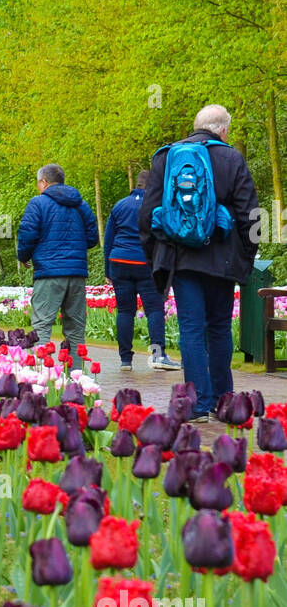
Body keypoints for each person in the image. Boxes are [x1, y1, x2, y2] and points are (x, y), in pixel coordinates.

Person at [140, 104, 259, 419]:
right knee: (219, 327)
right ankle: (224, 400)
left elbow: (147, 213)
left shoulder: (167, 157)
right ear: (223, 130)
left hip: (182, 260)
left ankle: (197, 403)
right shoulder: (232, 158)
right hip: (222, 259)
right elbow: (252, 213)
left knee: (191, 328)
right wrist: (246, 256)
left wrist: (157, 256)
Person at [16, 164, 99, 352]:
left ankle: (42, 376)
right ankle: (76, 376)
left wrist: (24, 256)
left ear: (44, 182)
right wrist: (74, 249)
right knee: (76, 330)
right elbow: (92, 237)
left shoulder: (38, 203)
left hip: (48, 273)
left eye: (38, 183)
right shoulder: (81, 205)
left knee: (42, 327)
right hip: (76, 274)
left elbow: (27, 235)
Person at [104, 172, 180, 371]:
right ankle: (157, 355)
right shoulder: (156, 206)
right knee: (154, 310)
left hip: (119, 260)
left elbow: (109, 239)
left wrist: (108, 270)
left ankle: (125, 360)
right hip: (146, 262)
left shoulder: (120, 205)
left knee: (125, 311)